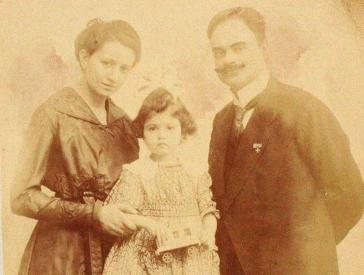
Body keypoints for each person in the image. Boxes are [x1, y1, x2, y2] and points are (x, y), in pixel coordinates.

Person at [207, 6, 364, 275]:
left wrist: (305, 247)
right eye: (219, 52)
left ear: (263, 46)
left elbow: (350, 195)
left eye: (238, 47)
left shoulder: (304, 110)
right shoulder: (221, 122)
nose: (228, 59)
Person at [11, 19, 142, 275]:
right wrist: (94, 214)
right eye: (107, 63)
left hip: (114, 255)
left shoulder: (124, 123)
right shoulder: (52, 113)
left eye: (124, 68)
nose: (114, 75)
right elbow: (21, 198)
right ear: (84, 57)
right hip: (60, 256)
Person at [102, 88, 220, 275]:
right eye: (153, 128)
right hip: (145, 255)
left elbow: (208, 209)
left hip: (190, 256)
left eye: (170, 128)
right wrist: (150, 225)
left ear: (183, 132)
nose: (161, 135)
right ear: (142, 131)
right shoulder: (137, 171)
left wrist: (208, 231)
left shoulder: (195, 172)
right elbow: (123, 213)